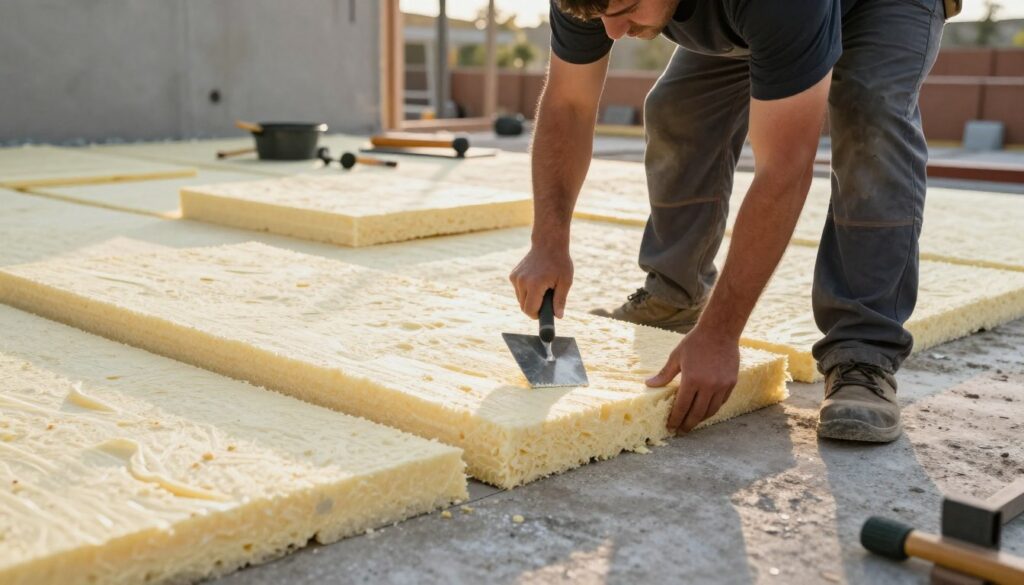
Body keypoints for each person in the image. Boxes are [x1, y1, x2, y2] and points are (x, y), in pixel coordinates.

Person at [509, 0, 948, 442]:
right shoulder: (591, 2)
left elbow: (784, 168)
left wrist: (721, 334)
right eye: (600, 16)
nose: (613, 31)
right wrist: (548, 241)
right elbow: (568, 103)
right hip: (764, 17)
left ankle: (863, 354)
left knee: (868, 112)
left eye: (627, 9)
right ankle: (674, 294)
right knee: (679, 107)